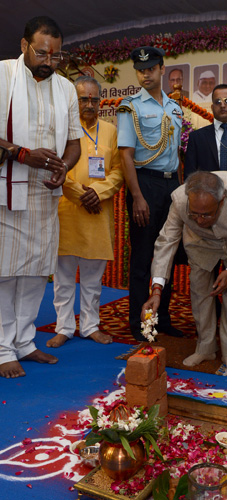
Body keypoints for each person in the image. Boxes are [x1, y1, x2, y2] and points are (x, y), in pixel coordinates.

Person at [0, 16, 82, 378]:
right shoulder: (2, 76)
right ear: (24, 46)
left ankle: (25, 342)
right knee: (5, 273)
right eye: (43, 53)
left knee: (35, 274)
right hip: (7, 192)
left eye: (57, 55)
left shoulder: (66, 88)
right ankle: (3, 349)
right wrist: (21, 154)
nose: (49, 61)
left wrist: (64, 166)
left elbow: (75, 143)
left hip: (46, 196)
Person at [141, 171, 227, 374]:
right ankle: (206, 347)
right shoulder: (179, 199)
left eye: (207, 214)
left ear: (222, 200)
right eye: (194, 214)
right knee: (200, 295)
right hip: (200, 244)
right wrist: (156, 290)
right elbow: (166, 242)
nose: (200, 220)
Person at [47, 76, 124, 348]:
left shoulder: (111, 131)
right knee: (64, 279)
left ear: (101, 101)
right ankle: (64, 327)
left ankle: (90, 326)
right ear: (74, 101)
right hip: (68, 212)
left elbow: (118, 171)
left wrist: (99, 193)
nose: (89, 104)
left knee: (93, 280)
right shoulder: (62, 130)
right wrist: (82, 195)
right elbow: (56, 168)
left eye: (94, 99)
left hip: (98, 215)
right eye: (83, 99)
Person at [117, 46, 183, 342]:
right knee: (143, 257)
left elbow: (177, 154)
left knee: (165, 255)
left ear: (161, 69)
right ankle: (137, 323)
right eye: (140, 69)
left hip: (171, 188)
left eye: (151, 68)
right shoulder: (130, 106)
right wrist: (137, 196)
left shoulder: (174, 108)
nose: (145, 74)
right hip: (144, 185)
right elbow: (126, 155)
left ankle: (162, 318)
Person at [184, 84, 227, 178]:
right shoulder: (197, 138)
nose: (222, 105)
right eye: (218, 101)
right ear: (212, 107)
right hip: (207, 191)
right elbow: (189, 177)